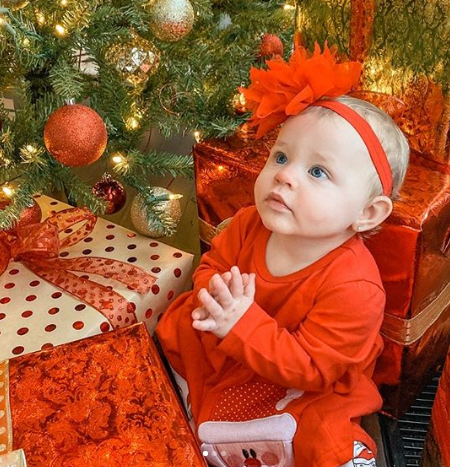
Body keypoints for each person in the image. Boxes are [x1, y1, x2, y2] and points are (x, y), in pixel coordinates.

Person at [156, 44, 410, 467]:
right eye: (281, 156)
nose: (285, 175)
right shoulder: (247, 222)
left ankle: (349, 455)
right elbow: (212, 266)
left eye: (317, 172)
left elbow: (313, 366)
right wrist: (216, 298)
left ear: (367, 213)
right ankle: (187, 402)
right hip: (230, 339)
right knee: (176, 327)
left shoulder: (355, 287)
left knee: (319, 429)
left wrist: (241, 322)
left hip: (303, 374)